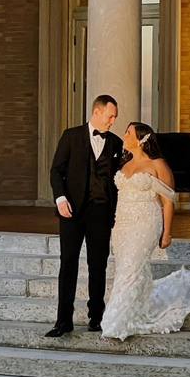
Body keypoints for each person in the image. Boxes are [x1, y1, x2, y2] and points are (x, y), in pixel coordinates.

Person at [101, 122, 190, 341]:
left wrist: (167, 232)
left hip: (146, 222)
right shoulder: (124, 162)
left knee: (131, 269)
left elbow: (168, 201)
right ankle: (137, 308)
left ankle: (117, 320)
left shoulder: (158, 164)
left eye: (129, 133)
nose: (124, 135)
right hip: (122, 223)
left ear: (141, 139)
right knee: (125, 268)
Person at [45, 95, 123, 338]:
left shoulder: (117, 143)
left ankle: (96, 318)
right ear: (96, 112)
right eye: (110, 116)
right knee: (68, 264)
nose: (112, 122)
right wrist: (60, 199)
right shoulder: (71, 136)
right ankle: (63, 321)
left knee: (97, 266)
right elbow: (56, 171)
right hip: (71, 212)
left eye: (115, 118)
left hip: (101, 213)